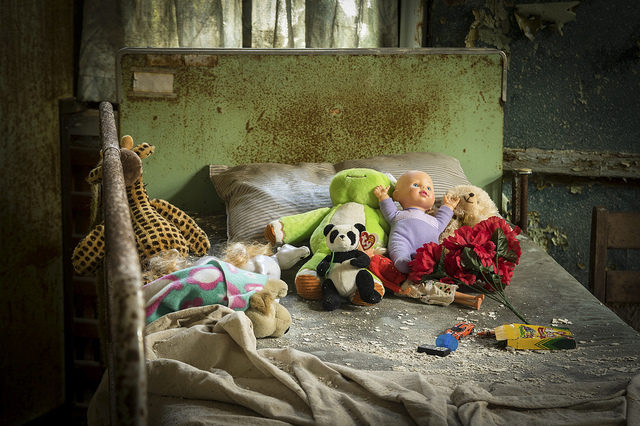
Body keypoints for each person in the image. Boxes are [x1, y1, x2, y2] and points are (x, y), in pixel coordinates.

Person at [373, 170, 459, 274]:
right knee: (399, 248)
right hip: (403, 240)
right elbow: (388, 209)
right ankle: (402, 261)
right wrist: (383, 197)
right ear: (397, 195)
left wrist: (449, 206)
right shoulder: (397, 215)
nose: (424, 188)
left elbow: (443, 218)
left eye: (429, 188)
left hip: (428, 249)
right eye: (415, 185)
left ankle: (431, 269)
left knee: (434, 256)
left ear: (432, 203)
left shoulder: (434, 221)